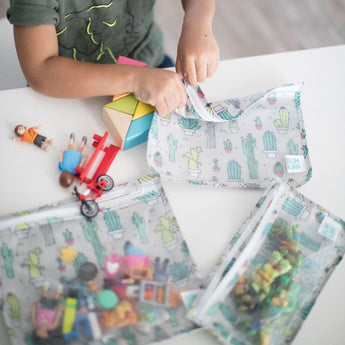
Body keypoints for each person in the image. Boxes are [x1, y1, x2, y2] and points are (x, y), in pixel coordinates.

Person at [6, 0, 219, 116]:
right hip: (67, 93)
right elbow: (40, 70)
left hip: (151, 67)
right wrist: (135, 79)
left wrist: (198, 21)